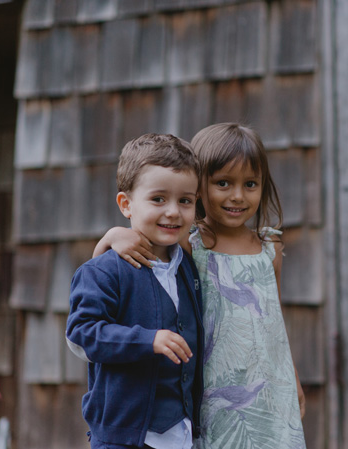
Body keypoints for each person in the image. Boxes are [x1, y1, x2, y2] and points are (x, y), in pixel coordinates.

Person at [95, 123, 307, 449]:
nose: (237, 195)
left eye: (250, 184)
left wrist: (292, 376)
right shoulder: (193, 242)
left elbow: (274, 323)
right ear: (199, 187)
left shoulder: (270, 248)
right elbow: (136, 244)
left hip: (270, 387)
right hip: (217, 386)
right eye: (223, 183)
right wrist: (112, 236)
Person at [66, 133, 204, 449]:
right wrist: (148, 339)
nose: (173, 212)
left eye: (185, 201)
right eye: (158, 199)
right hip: (125, 437)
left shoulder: (190, 267)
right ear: (126, 204)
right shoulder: (103, 270)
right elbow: (81, 334)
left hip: (182, 434)